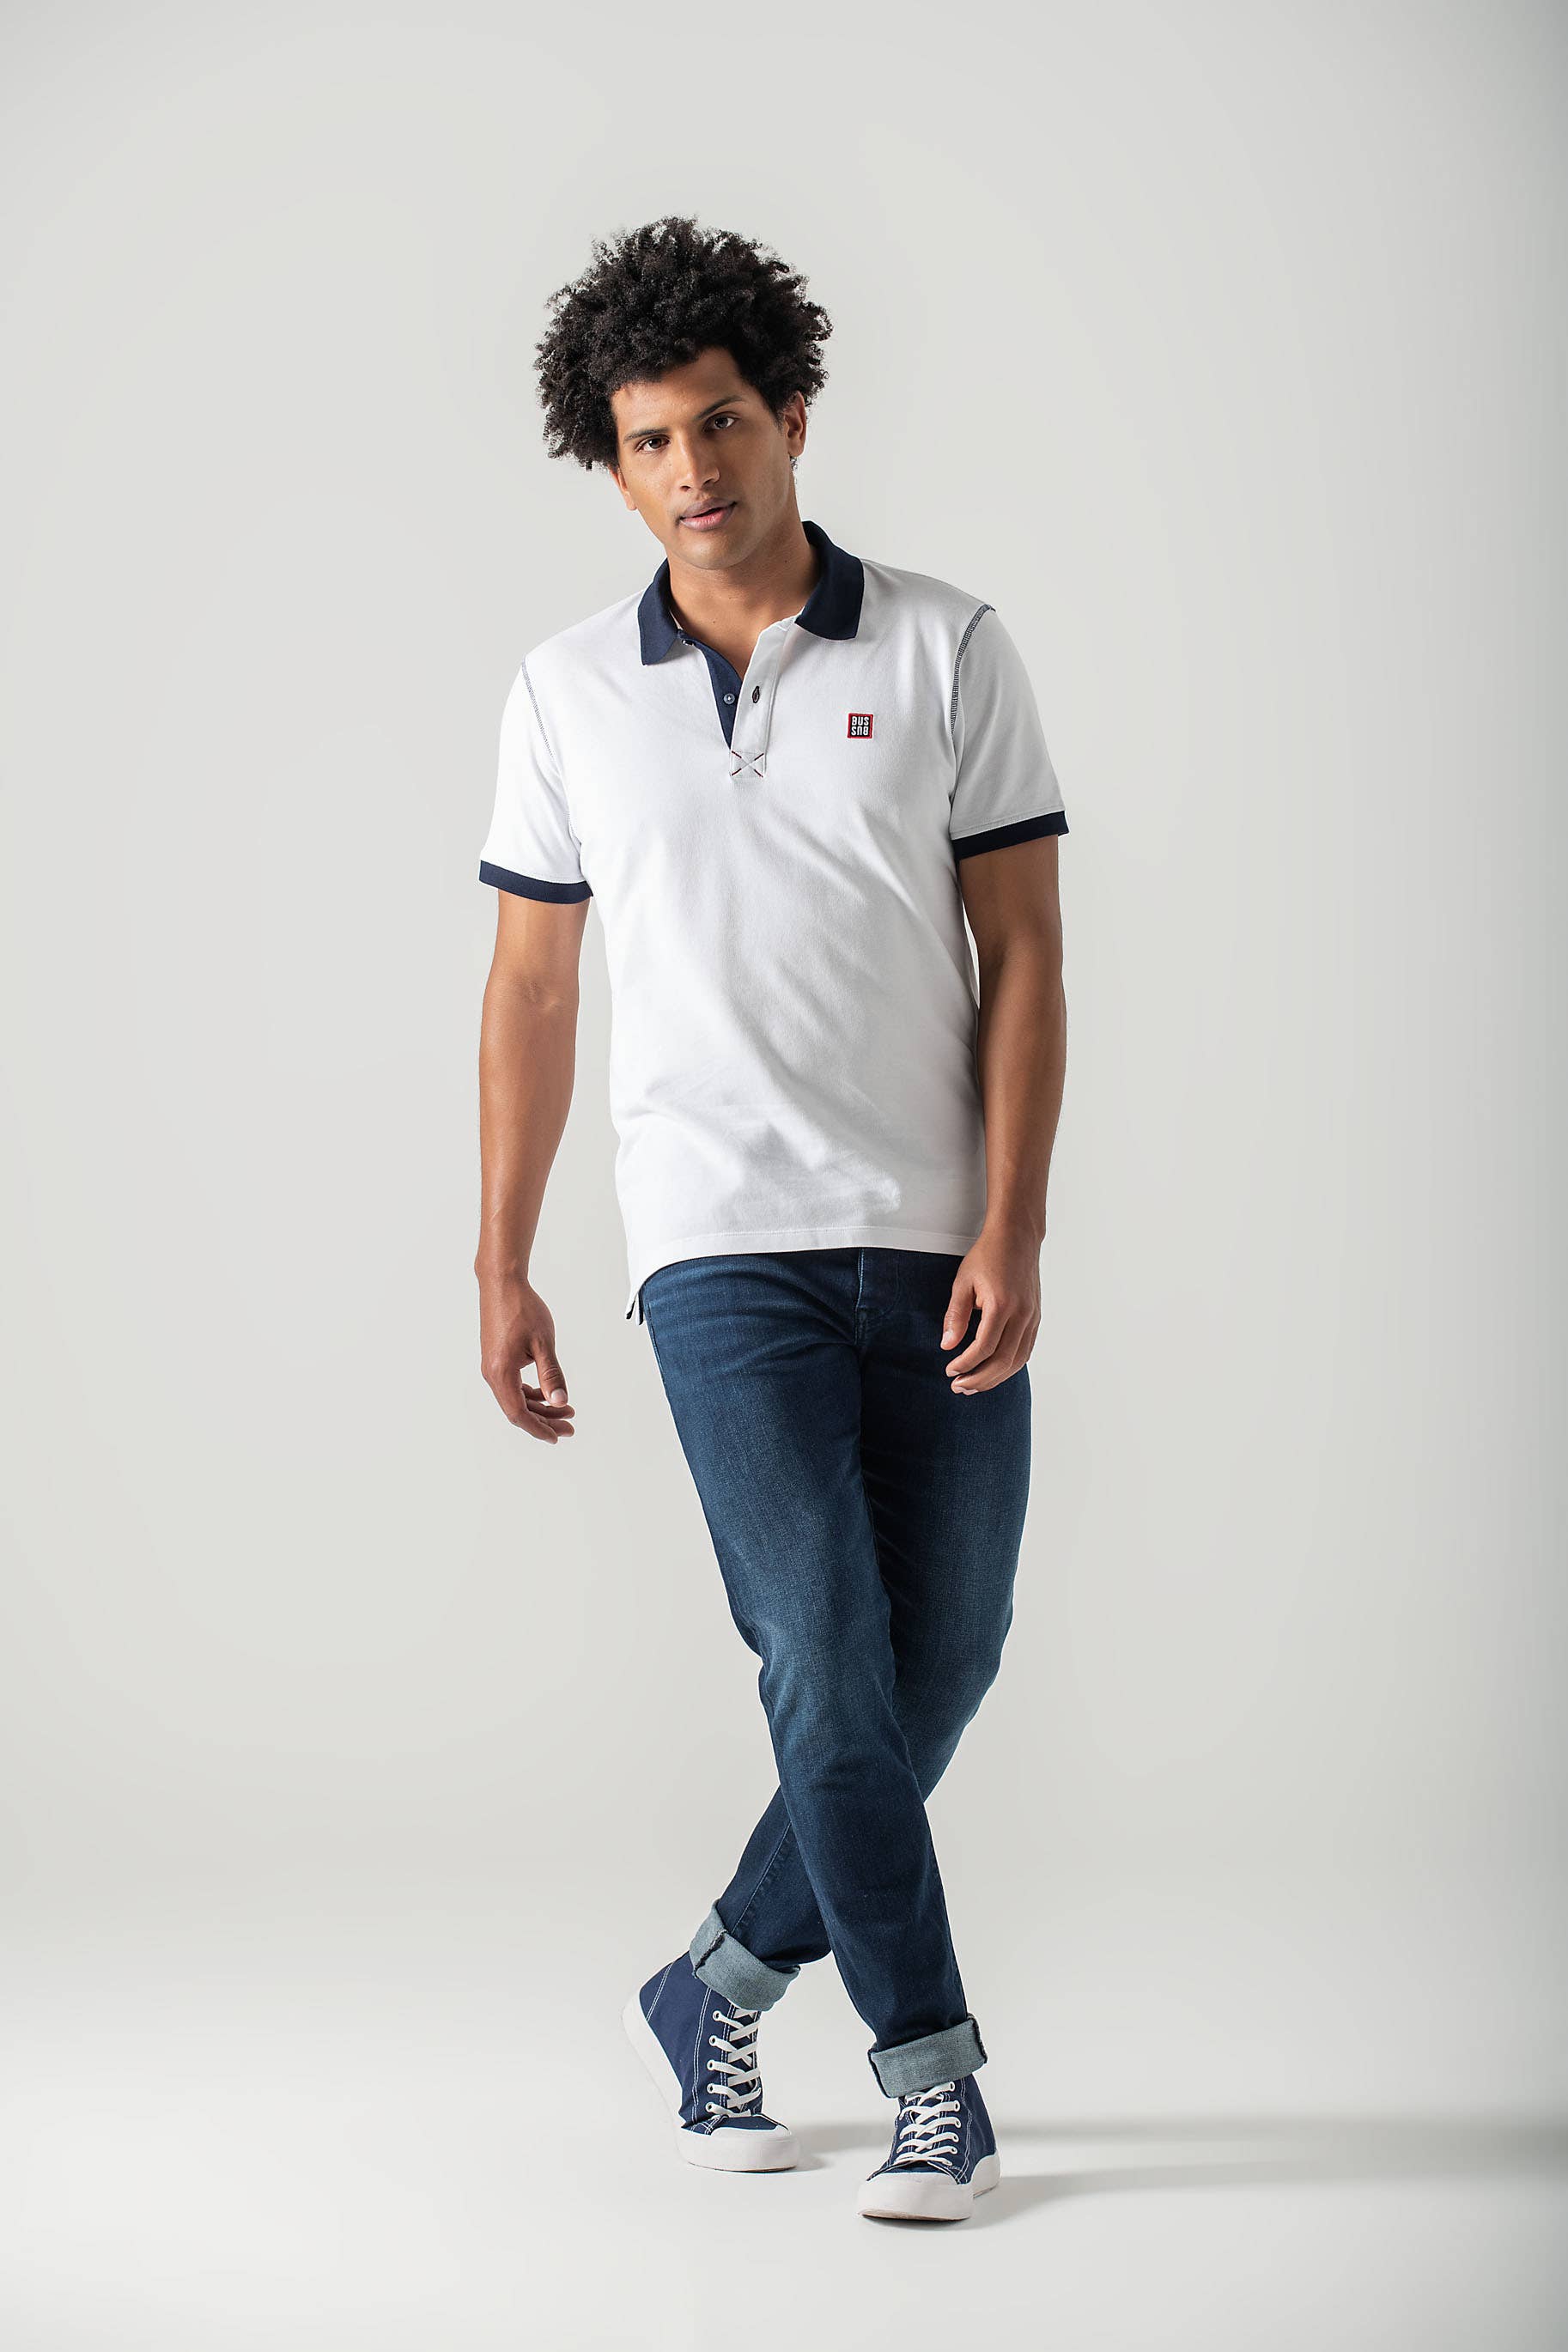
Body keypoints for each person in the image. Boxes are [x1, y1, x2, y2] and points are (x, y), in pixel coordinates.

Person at [474, 215, 1068, 2224]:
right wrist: (501, 1257)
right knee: (820, 1650)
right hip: (714, 1240)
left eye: (718, 422)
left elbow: (1025, 952)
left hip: (935, 1230)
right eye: (646, 441)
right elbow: (531, 989)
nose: (689, 468)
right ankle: (933, 2079)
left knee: (936, 1662)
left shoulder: (947, 646)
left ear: (791, 414)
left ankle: (713, 1979)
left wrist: (1015, 1221)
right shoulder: (567, 690)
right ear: (611, 463)